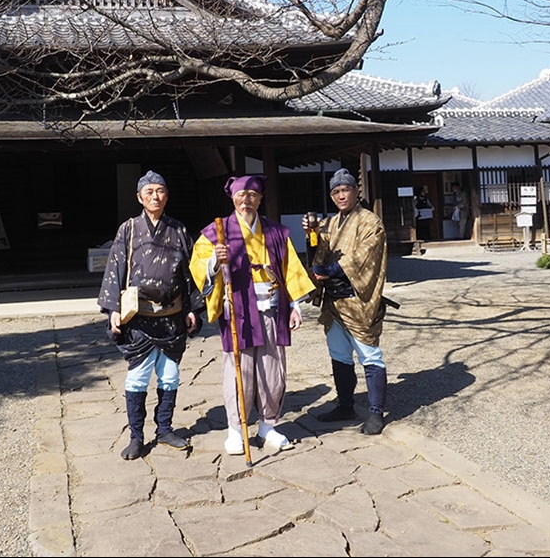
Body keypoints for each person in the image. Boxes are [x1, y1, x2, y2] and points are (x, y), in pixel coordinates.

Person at [189, 174, 315, 456]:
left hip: (271, 307)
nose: (246, 200)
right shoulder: (217, 232)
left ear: (260, 199)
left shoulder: (275, 232)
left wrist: (295, 305)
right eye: (241, 195)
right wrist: (214, 261)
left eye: (253, 195)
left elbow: (290, 267)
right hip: (238, 310)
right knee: (240, 371)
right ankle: (237, 428)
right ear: (232, 197)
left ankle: (268, 425)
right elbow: (197, 266)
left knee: (273, 370)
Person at [97, 170, 205, 460]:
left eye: (160, 191)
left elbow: (190, 273)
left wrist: (193, 308)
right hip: (140, 318)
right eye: (149, 192)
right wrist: (113, 310)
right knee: (138, 377)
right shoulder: (128, 230)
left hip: (171, 316)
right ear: (139, 197)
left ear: (167, 195)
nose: (155, 196)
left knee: (169, 376)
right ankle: (136, 435)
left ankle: (165, 428)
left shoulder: (179, 230)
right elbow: (114, 270)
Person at [302, 169, 390, 435]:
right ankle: (345, 405)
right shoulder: (330, 223)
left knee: (369, 355)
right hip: (333, 302)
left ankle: (376, 413)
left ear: (356, 191)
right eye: (336, 192)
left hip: (358, 299)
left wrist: (329, 271)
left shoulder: (370, 221)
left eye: (345, 190)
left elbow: (364, 257)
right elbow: (319, 251)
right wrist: (311, 234)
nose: (341, 195)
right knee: (339, 355)